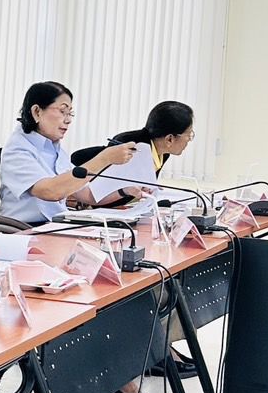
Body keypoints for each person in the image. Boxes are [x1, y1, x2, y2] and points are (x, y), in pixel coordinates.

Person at [0, 82, 157, 393]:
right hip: (27, 237)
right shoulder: (18, 148)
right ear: (37, 112)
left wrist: (126, 193)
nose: (68, 119)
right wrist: (103, 159)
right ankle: (79, 390)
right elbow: (51, 191)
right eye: (62, 111)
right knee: (97, 285)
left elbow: (77, 193)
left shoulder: (53, 147)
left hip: (56, 232)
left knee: (119, 281)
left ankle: (115, 374)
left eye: (72, 112)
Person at [75, 101, 198, 378]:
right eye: (189, 134)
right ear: (169, 138)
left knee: (171, 275)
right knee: (152, 277)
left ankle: (161, 347)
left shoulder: (157, 152)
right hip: (100, 223)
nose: (190, 140)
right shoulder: (134, 150)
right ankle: (155, 351)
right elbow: (99, 195)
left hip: (124, 219)